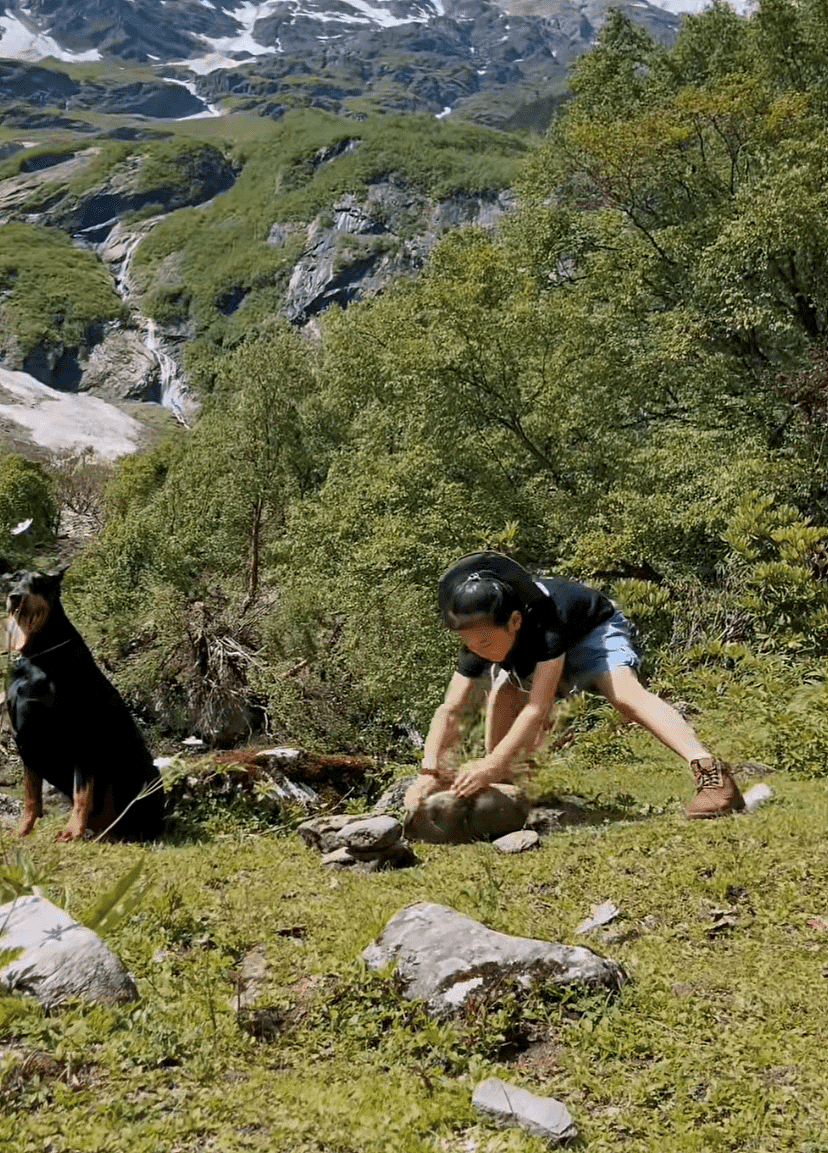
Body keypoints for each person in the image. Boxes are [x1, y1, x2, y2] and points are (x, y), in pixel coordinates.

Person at [403, 551, 744, 843]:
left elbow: (538, 706)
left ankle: (710, 774)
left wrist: (490, 765)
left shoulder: (546, 623)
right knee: (503, 696)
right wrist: (428, 772)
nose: (478, 652)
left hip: (593, 633)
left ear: (515, 621)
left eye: (486, 644)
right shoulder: (481, 637)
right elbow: (450, 708)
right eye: (470, 645)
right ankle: (509, 790)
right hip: (537, 653)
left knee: (624, 694)